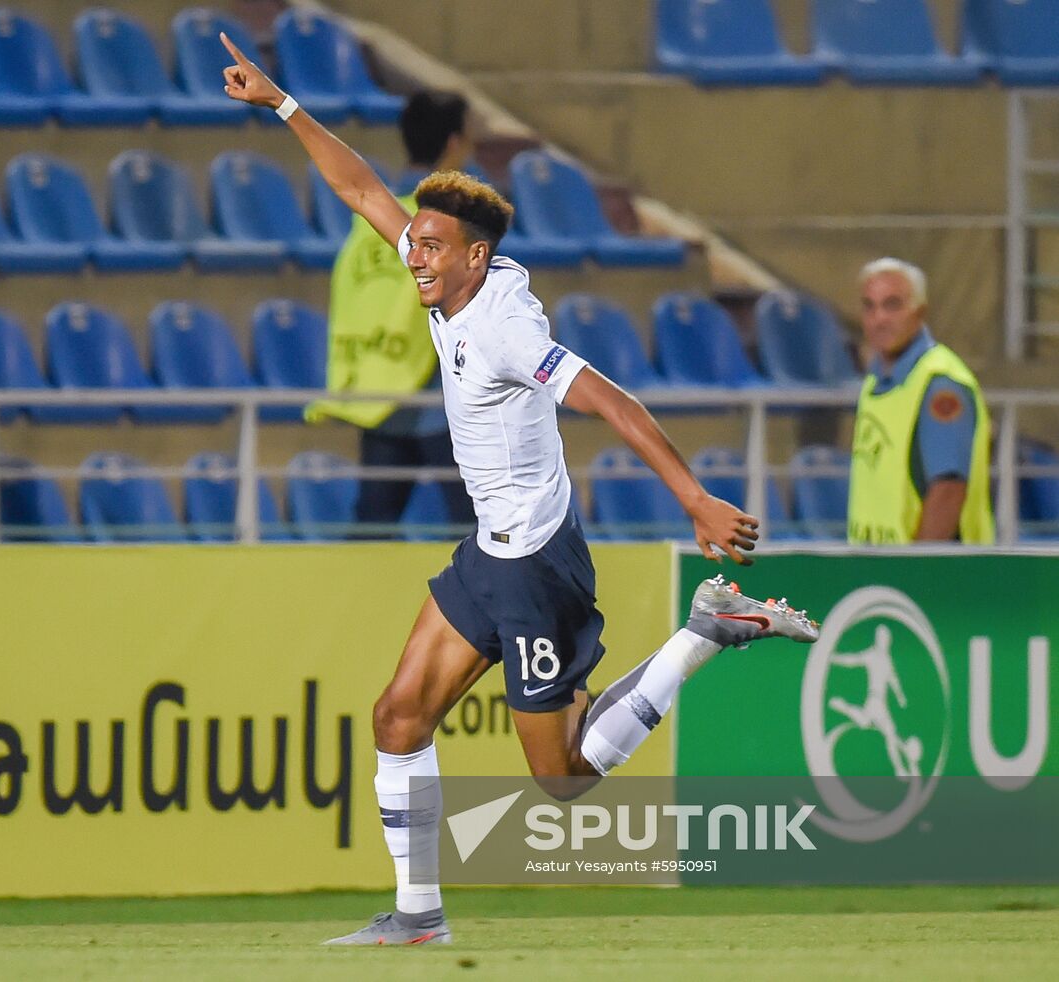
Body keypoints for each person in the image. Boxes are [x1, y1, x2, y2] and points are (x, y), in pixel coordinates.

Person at [219, 35, 819, 945]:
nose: (412, 257)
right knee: (398, 714)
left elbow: (610, 401)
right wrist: (284, 106)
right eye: (412, 243)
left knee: (564, 779)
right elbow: (361, 193)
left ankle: (703, 633)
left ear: (476, 256)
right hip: (488, 552)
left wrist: (694, 498)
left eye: (429, 247)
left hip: (538, 563)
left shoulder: (503, 326)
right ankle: (418, 916)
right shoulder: (446, 276)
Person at [306, 91, 476, 536]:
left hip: (378, 391)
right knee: (478, 528)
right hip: (435, 399)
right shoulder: (453, 225)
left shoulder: (367, 226)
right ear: (454, 145)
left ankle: (354, 604)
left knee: (372, 527)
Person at [848, 258, 993, 545]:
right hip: (878, 570)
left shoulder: (940, 384)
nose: (879, 318)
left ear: (920, 311)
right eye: (869, 306)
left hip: (928, 578)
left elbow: (948, 491)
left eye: (892, 305)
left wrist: (917, 572)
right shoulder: (876, 380)